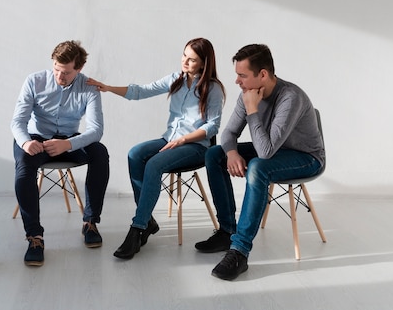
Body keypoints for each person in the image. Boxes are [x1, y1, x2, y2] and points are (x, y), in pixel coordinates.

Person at [196, 43, 325, 280]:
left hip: (306, 157)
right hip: (273, 150)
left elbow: (264, 153)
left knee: (257, 166)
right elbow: (228, 134)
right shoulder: (246, 94)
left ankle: (239, 251)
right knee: (215, 154)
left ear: (263, 74)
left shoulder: (290, 97)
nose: (237, 81)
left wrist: (252, 110)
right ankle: (227, 231)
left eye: (242, 75)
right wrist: (232, 153)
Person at [87, 37, 225, 260]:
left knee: (153, 164)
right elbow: (141, 91)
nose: (185, 62)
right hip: (169, 139)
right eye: (184, 55)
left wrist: (183, 140)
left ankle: (137, 227)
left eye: (192, 59)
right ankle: (148, 219)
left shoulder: (213, 88)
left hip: (196, 146)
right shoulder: (176, 80)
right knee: (135, 154)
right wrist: (108, 88)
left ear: (204, 63)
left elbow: (212, 126)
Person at [11, 40, 110, 267]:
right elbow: (18, 121)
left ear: (79, 68)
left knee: (100, 153)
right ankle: (34, 237)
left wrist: (69, 145)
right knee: (24, 165)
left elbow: (96, 130)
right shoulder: (34, 81)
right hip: (36, 139)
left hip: (69, 141)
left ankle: (90, 223)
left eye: (65, 72)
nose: (59, 75)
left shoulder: (90, 87)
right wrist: (26, 142)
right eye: (56, 69)